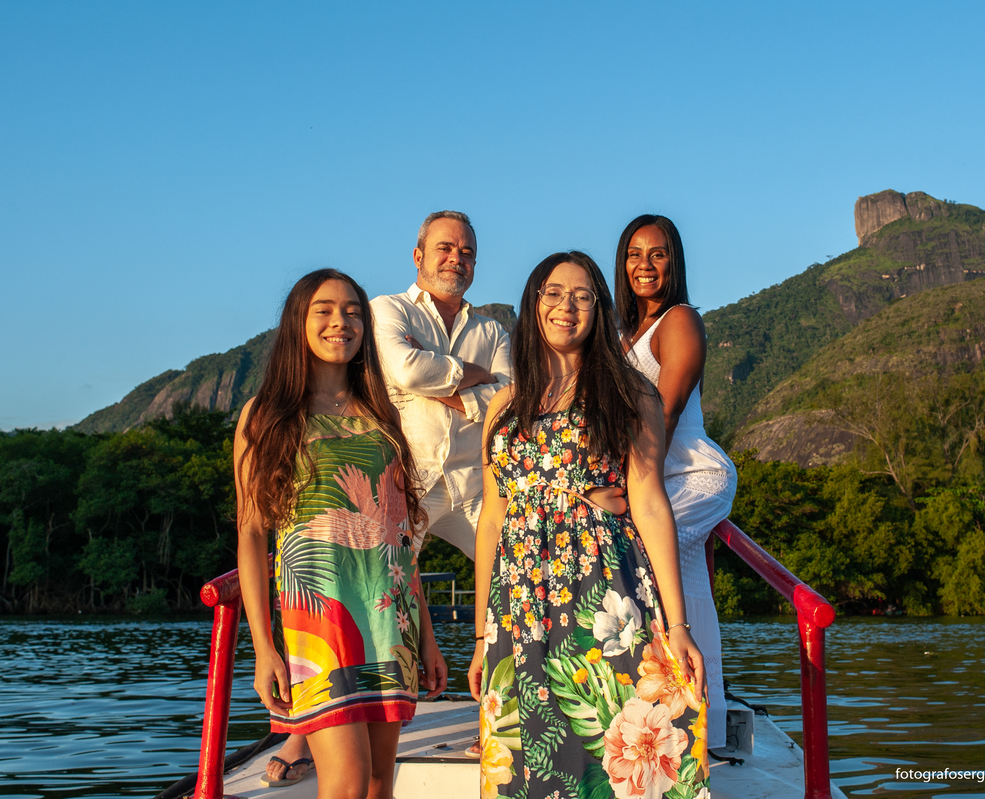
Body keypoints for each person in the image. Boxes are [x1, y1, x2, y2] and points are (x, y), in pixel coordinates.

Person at [469, 252, 711, 799]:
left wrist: (678, 627)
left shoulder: (628, 394)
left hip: (603, 596)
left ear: (599, 310)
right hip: (522, 602)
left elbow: (648, 503)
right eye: (553, 293)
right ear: (534, 304)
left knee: (612, 737)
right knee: (535, 747)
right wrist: (483, 635)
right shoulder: (504, 408)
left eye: (582, 296)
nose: (566, 306)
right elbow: (492, 519)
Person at [234, 269, 447, 798]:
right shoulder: (265, 417)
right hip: (319, 621)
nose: (341, 321)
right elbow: (252, 535)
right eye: (324, 310)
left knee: (379, 784)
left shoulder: (380, 417)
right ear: (297, 323)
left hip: (388, 620)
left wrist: (429, 638)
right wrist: (264, 648)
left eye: (353, 310)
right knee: (346, 784)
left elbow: (399, 537)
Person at [616, 214, 737, 750]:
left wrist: (626, 488)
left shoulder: (680, 320)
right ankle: (705, 723)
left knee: (638, 549)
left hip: (690, 475)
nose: (646, 265)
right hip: (650, 478)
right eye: (635, 254)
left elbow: (664, 415)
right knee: (684, 586)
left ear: (674, 262)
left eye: (658, 254)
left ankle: (688, 716)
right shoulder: (621, 338)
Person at [369, 211, 513, 559]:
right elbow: (408, 372)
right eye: (445, 248)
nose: (456, 259)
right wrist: (477, 374)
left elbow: (511, 399)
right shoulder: (388, 310)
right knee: (391, 584)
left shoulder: (491, 331)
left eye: (466, 252)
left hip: (475, 483)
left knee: (512, 568)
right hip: (405, 479)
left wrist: (434, 380)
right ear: (418, 256)